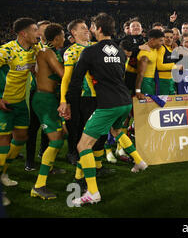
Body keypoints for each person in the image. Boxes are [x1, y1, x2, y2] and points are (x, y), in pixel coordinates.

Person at [63, 13, 147, 206]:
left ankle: (92, 192)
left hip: (108, 105)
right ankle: (139, 161)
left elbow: (75, 82)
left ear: (99, 29)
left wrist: (68, 103)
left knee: (83, 146)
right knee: (117, 131)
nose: (91, 30)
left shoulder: (90, 52)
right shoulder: (118, 51)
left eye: (92, 26)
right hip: (125, 102)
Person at [0, 18, 39, 200]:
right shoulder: (7, 50)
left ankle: (3, 173)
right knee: (3, 142)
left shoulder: (35, 50)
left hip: (21, 104)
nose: (38, 33)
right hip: (4, 103)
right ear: (23, 33)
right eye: (34, 30)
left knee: (21, 137)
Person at [30, 23, 66, 199]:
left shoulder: (48, 52)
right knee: (56, 141)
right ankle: (38, 185)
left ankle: (49, 168)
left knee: (62, 135)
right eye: (63, 35)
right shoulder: (47, 52)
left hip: (49, 99)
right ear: (57, 37)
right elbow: (62, 73)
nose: (65, 38)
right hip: (44, 100)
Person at [58, 19, 93, 166]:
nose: (87, 30)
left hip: (95, 95)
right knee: (75, 125)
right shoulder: (71, 51)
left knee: (91, 127)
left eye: (87, 28)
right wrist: (63, 101)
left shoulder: (94, 47)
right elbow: (66, 78)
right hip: (78, 94)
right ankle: (72, 152)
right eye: (83, 28)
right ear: (74, 32)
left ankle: (89, 153)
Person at [26, 20, 51, 171]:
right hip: (37, 93)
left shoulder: (54, 48)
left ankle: (44, 154)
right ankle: (29, 160)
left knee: (48, 128)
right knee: (33, 127)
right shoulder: (34, 49)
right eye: (44, 29)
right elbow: (30, 67)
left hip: (51, 95)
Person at [135, 29, 180, 99]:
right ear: (153, 40)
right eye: (160, 41)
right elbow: (140, 73)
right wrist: (138, 91)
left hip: (152, 81)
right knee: (148, 106)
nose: (162, 43)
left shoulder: (154, 48)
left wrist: (174, 43)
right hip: (145, 82)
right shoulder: (145, 54)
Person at [121, 18, 146, 96]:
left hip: (144, 74)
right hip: (129, 73)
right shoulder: (125, 40)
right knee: (129, 95)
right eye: (133, 26)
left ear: (142, 29)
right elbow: (128, 53)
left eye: (138, 26)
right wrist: (139, 47)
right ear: (129, 30)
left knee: (141, 95)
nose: (136, 27)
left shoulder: (146, 40)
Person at [157, 29, 177, 95]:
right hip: (163, 81)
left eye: (171, 37)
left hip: (171, 80)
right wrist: (175, 66)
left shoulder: (172, 49)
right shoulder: (161, 48)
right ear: (163, 38)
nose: (169, 39)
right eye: (167, 37)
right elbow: (159, 66)